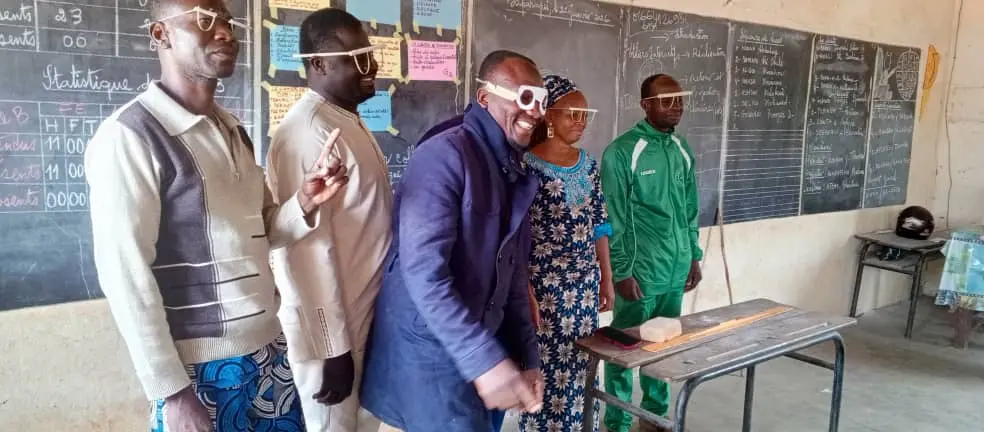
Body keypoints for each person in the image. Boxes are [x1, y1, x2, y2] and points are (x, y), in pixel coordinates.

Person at [84, 0, 348, 430]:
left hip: (267, 354)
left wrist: (303, 203)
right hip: (200, 374)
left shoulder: (232, 130)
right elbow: (124, 274)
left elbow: (259, 231)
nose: (225, 32)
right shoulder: (131, 137)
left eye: (227, 21)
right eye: (205, 20)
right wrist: (170, 391)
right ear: (160, 35)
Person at [360, 50, 547, 432]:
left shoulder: (511, 168)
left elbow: (511, 276)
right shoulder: (444, 155)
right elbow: (423, 274)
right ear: (484, 98)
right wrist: (484, 360)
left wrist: (526, 357)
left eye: (542, 101)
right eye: (524, 97)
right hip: (430, 355)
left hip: (481, 348)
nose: (536, 112)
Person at [265, 8, 392, 432]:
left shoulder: (343, 119)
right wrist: (334, 349)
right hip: (332, 338)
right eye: (357, 58)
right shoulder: (307, 131)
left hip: (361, 323)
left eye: (370, 55)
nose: (371, 67)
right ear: (318, 64)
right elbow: (304, 250)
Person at [600, 73, 703, 432]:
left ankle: (654, 416)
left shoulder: (681, 149)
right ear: (646, 106)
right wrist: (622, 271)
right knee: (626, 348)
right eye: (666, 100)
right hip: (640, 273)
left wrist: (694, 255)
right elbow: (615, 216)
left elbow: (690, 208)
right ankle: (618, 420)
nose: (676, 107)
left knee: (663, 345)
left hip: (675, 271)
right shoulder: (623, 151)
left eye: (679, 99)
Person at [520, 75, 614, 432]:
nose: (579, 121)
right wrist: (524, 289)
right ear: (548, 116)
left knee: (582, 363)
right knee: (544, 368)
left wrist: (606, 276)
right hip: (543, 289)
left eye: (584, 114)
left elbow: (600, 224)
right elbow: (517, 236)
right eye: (570, 113)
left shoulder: (588, 165)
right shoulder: (527, 167)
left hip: (584, 288)